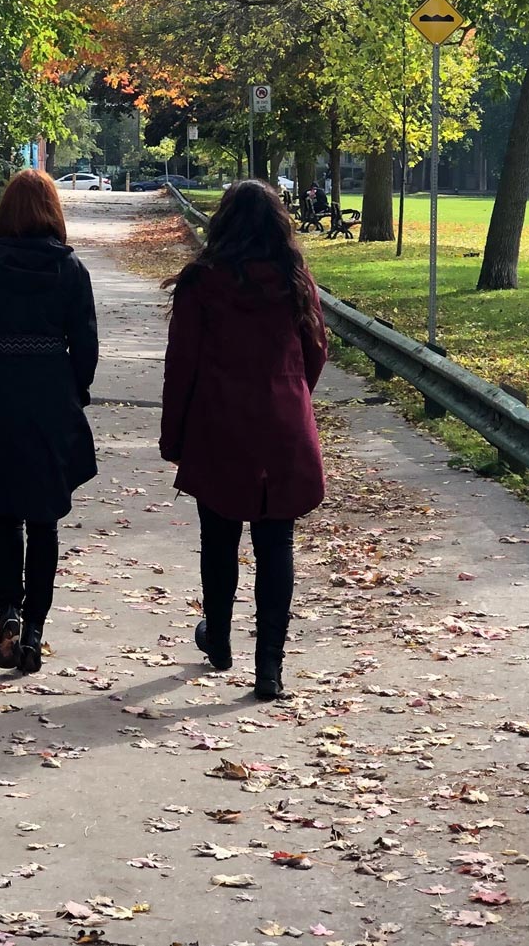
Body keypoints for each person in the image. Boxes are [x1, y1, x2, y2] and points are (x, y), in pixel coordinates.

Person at [160, 179, 327, 700]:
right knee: (276, 544)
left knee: (219, 537)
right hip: (281, 424)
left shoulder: (202, 283)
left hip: (219, 426)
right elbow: (316, 350)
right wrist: (291, 390)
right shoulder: (294, 280)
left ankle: (220, 639)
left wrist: (175, 436)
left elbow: (181, 365)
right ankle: (269, 668)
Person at [0, 170, 99, 674]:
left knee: (5, 512)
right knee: (46, 516)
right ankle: (35, 626)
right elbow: (87, 346)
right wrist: (74, 392)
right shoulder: (71, 269)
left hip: (1, 392)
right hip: (52, 393)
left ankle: (8, 611)